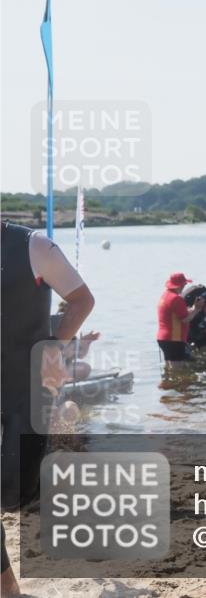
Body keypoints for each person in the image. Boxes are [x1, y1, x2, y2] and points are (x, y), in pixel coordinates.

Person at [1, 221, 94, 597]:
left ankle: (63, 433)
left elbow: (82, 301)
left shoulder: (32, 245)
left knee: (15, 495)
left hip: (29, 387)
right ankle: (8, 587)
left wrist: (53, 346)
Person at [157, 272, 203, 367]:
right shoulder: (176, 299)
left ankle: (168, 382)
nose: (185, 286)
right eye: (184, 284)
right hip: (174, 340)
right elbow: (185, 319)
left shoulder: (165, 296)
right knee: (178, 371)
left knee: (170, 371)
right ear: (180, 285)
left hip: (163, 339)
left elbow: (178, 314)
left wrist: (193, 308)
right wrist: (197, 309)